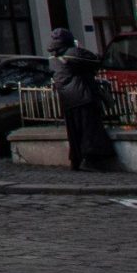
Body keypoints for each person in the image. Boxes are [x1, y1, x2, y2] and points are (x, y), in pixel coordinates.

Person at [51, 27, 115, 171]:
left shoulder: (52, 58)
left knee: (74, 132)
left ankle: (76, 160)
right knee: (89, 130)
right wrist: (79, 48)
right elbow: (95, 59)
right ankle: (90, 160)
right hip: (83, 96)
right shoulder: (73, 53)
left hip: (67, 99)